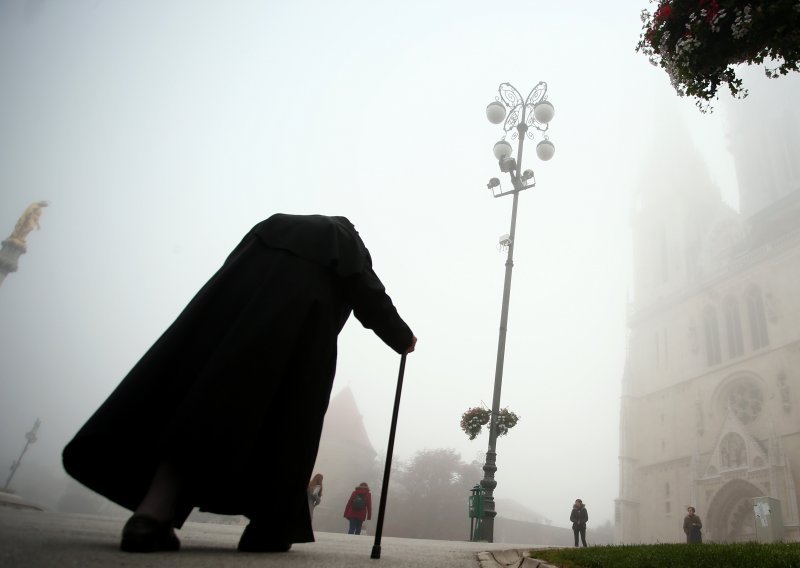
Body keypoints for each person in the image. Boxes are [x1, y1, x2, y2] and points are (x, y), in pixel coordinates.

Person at [62, 214, 416, 554]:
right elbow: (367, 291)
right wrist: (402, 337)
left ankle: (150, 516)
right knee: (285, 427)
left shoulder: (274, 225)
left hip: (227, 330)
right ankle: (268, 528)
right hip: (296, 341)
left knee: (198, 413)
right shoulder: (343, 237)